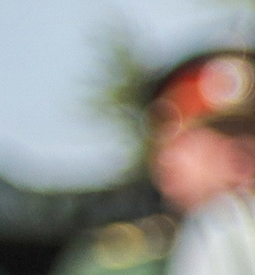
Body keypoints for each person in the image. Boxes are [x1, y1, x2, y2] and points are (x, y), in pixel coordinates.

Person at [58, 51, 255, 275]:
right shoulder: (120, 265)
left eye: (251, 137)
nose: (246, 161)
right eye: (225, 144)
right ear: (170, 163)